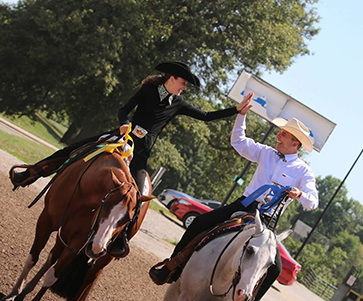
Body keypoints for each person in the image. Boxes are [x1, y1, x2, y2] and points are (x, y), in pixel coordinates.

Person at [9, 61, 251, 256]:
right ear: (171, 78)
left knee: (137, 193)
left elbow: (206, 116)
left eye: (186, 84)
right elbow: (124, 109)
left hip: (141, 152)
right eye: (183, 82)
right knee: (77, 147)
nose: (184, 87)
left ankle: (121, 236)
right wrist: (125, 123)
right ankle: (34, 172)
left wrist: (236, 110)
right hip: (120, 138)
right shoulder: (147, 89)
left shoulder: (178, 103)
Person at [149, 92, 319, 301]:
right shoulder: (265, 152)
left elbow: (313, 201)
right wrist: (242, 115)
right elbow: (238, 142)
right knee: (201, 222)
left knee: (275, 268)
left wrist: (300, 194)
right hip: (244, 205)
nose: (278, 136)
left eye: (283, 134)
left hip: (267, 220)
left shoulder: (304, 172)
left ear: (295, 143)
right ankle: (172, 267)